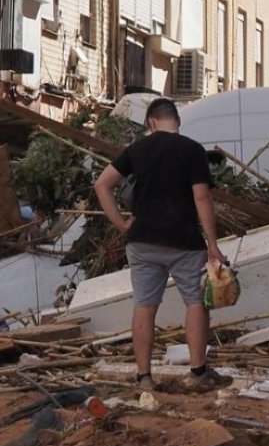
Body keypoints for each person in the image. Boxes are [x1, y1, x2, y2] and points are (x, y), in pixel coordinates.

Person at [94, 96, 229, 393]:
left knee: (144, 305)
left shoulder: (136, 149)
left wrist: (121, 223)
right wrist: (213, 243)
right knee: (195, 302)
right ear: (176, 122)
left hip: (142, 241)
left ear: (151, 123)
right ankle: (197, 372)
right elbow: (202, 198)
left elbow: (102, 184)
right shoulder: (192, 150)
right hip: (184, 241)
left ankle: (144, 377)